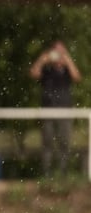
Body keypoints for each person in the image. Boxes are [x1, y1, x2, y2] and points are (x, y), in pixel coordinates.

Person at [29, 40, 82, 176]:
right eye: (56, 52)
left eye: (61, 52)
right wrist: (42, 59)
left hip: (65, 110)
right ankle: (46, 173)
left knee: (64, 141)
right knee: (47, 142)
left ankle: (63, 173)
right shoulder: (47, 69)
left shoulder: (67, 70)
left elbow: (77, 77)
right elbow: (33, 73)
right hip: (48, 109)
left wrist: (67, 60)